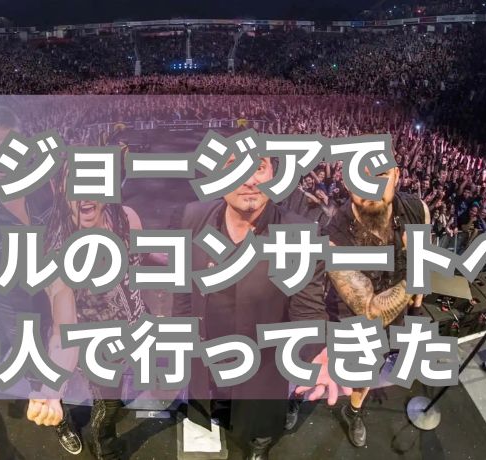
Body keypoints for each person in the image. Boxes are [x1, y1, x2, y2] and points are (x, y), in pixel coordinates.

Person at [174, 154, 348, 460]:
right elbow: (184, 289)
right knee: (215, 406)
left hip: (262, 364)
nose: (248, 179)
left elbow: (307, 308)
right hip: (207, 357)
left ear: (272, 175)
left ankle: (259, 447)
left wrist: (317, 350)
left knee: (259, 423)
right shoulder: (192, 216)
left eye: (257, 167)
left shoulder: (299, 234)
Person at [26, 158, 148, 460]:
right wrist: (52, 391)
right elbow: (64, 329)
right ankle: (102, 445)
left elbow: (140, 260)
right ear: (61, 189)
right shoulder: (58, 253)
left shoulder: (127, 218)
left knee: (113, 397)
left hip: (129, 332)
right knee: (109, 404)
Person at [323, 160, 428, 448]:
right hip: (346, 311)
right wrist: (414, 264)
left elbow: (424, 266)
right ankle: (295, 402)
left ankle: (353, 411)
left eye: (380, 175)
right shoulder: (334, 233)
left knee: (367, 370)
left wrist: (416, 312)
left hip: (395, 309)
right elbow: (370, 312)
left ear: (396, 175)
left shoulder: (417, 210)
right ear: (346, 182)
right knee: (317, 365)